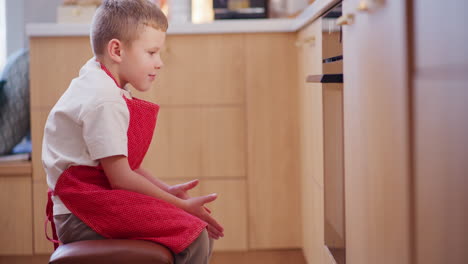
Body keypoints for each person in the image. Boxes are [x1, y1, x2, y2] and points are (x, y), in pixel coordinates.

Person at [42, 0, 224, 263]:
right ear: (116, 50)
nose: (159, 62)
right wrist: (181, 206)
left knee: (194, 229)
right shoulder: (104, 99)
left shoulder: (98, 80)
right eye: (151, 53)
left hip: (91, 204)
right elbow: (122, 178)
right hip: (82, 213)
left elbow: (125, 167)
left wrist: (167, 191)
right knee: (193, 235)